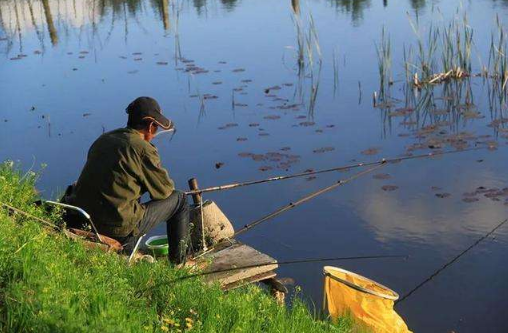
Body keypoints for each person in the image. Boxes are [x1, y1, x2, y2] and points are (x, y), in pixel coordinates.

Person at [64, 97, 189, 264]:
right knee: (180, 199)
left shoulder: (103, 139)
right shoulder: (142, 148)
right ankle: (180, 263)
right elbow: (164, 191)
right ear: (151, 126)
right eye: (157, 127)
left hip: (83, 219)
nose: (156, 131)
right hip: (116, 228)